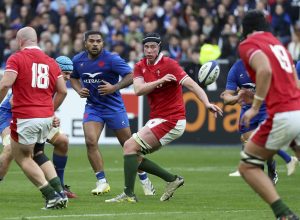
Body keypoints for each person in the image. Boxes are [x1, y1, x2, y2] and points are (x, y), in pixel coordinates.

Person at [105, 32, 223, 203]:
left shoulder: (170, 65)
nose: (149, 50)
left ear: (159, 48)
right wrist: (159, 81)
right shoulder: (140, 66)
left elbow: (192, 84)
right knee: (133, 153)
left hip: (172, 119)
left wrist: (206, 103)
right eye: (146, 47)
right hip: (158, 118)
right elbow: (138, 90)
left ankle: (128, 194)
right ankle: (172, 179)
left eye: (153, 47)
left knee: (130, 145)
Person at [70, 30, 155, 196]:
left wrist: (114, 87)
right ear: (85, 43)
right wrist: (79, 90)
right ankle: (102, 181)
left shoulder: (112, 59)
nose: (95, 44)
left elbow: (131, 75)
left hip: (114, 108)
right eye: (92, 41)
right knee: (90, 141)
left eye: (98, 41)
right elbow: (73, 77)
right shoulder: (78, 60)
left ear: (103, 43)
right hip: (93, 107)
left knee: (129, 147)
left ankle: (144, 178)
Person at [238, 10, 300, 219]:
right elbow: (294, 82)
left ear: (245, 30)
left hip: (282, 113)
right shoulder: (277, 44)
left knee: (248, 166)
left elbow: (264, 70)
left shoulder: (248, 44)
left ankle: (284, 214)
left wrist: (255, 106)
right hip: (298, 108)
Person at [0, 26, 68, 209]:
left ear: (20, 41)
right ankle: (60, 193)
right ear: (36, 40)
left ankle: (51, 195)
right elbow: (62, 91)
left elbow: (5, 84)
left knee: (21, 156)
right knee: (38, 153)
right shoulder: (51, 62)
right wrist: (49, 109)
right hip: (46, 118)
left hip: (25, 117)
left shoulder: (16, 58)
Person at [221, 59, 298, 179]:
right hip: (247, 110)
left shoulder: (266, 64)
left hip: (267, 108)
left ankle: (285, 161)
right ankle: (267, 171)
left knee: (263, 139)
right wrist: (238, 97)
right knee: (251, 141)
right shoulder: (236, 69)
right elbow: (226, 97)